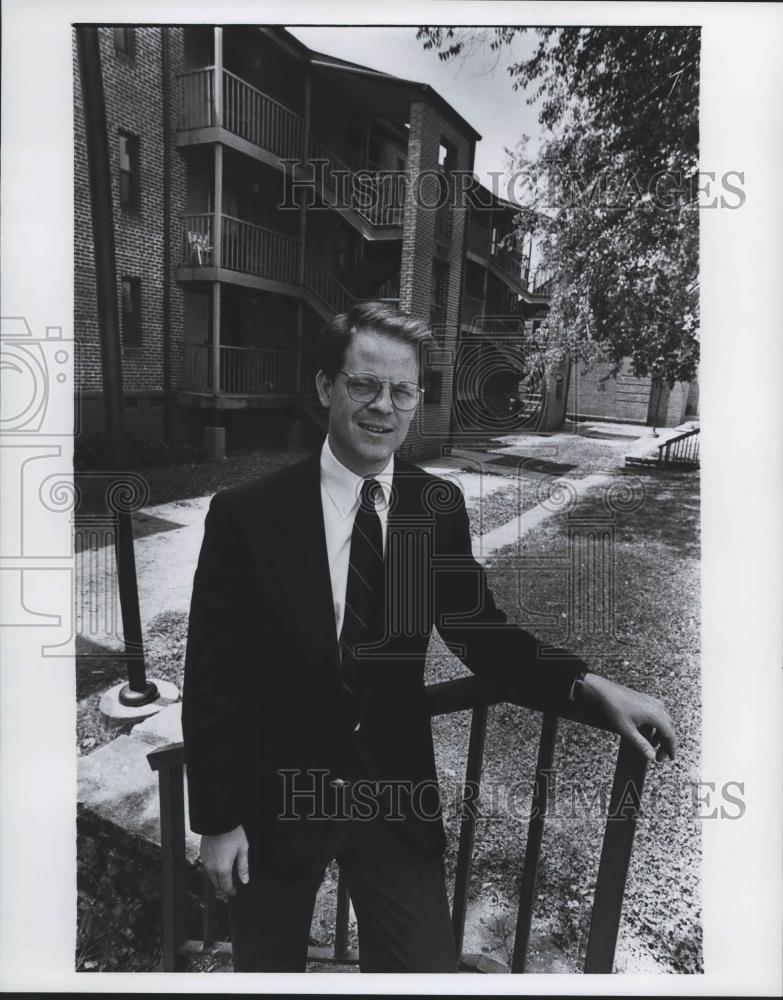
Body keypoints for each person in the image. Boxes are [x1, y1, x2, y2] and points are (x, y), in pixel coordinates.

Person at [181, 301, 676, 973]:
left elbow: (482, 634)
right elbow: (215, 677)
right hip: (274, 804)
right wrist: (216, 820)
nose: (382, 406)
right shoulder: (247, 515)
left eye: (401, 390)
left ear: (416, 399)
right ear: (326, 388)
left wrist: (586, 685)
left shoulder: (431, 508)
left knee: (424, 973)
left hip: (390, 796)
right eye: (363, 384)